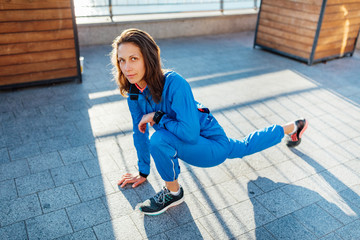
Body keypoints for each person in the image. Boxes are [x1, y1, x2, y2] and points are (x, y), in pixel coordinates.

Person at [112, 29, 308, 216]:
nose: (127, 67)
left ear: (149, 57)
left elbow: (188, 133)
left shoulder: (174, 82)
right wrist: (143, 172)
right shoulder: (135, 94)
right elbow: (139, 133)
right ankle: (294, 126)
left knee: (160, 140)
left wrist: (157, 117)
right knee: (244, 146)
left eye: (133, 59)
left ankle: (173, 193)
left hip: (211, 142)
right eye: (121, 60)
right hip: (193, 141)